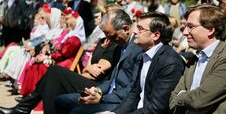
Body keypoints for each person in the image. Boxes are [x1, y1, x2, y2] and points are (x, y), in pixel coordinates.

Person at [0, 8, 143, 114]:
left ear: (125, 29)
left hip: (106, 91)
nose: (109, 40)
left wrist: (100, 95)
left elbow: (103, 72)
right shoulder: (111, 42)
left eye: (111, 36)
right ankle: (23, 108)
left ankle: (23, 108)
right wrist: (96, 85)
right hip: (100, 86)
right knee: (54, 78)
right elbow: (93, 69)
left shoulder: (130, 47)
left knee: (55, 72)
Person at [100, 12, 185, 114]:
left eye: (140, 29)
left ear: (155, 35)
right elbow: (134, 94)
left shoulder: (170, 63)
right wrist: (115, 113)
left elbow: (157, 107)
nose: (134, 32)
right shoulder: (146, 55)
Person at [169, 4, 226, 113]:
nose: (185, 32)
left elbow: (199, 101)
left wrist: (182, 96)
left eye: (191, 26)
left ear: (210, 29)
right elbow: (173, 99)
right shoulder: (195, 58)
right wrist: (185, 98)